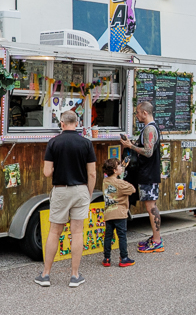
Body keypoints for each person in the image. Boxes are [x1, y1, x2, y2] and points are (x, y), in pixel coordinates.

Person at [35, 110, 96, 288]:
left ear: (61, 124)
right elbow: (91, 173)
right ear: (76, 124)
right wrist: (89, 193)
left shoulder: (53, 143)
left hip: (61, 190)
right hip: (80, 190)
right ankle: (75, 276)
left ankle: (45, 275)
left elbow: (47, 172)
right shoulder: (86, 143)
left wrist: (58, 166)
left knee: (54, 231)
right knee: (77, 232)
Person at [119, 101, 164, 253]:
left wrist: (130, 146)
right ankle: (155, 238)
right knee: (151, 206)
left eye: (138, 113)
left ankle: (157, 241)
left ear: (145, 113)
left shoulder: (150, 128)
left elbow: (148, 152)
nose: (136, 115)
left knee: (151, 207)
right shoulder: (150, 128)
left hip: (148, 174)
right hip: (148, 173)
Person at [101, 159, 135, 267]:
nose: (121, 167)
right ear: (115, 170)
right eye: (120, 166)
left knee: (108, 236)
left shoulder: (105, 181)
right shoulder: (120, 183)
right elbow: (132, 189)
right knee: (122, 236)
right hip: (120, 213)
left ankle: (106, 258)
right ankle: (124, 258)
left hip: (109, 212)